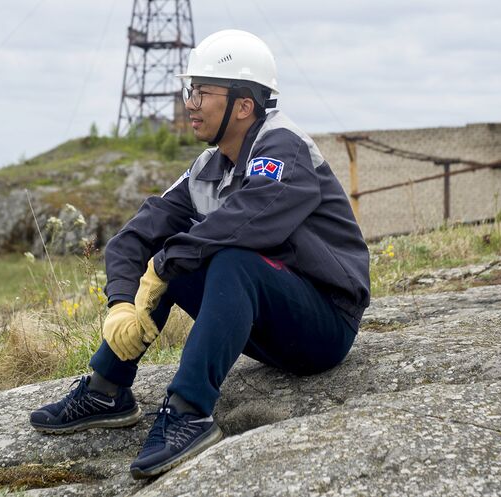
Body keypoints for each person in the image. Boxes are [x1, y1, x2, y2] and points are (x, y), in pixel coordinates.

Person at [30, 29, 370, 479]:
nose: (189, 102)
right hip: (272, 324)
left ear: (243, 105)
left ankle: (189, 411)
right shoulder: (208, 168)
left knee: (226, 257)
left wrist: (168, 263)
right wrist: (121, 303)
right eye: (190, 90)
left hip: (325, 324)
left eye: (202, 92)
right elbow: (135, 236)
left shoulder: (282, 145)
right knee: (173, 253)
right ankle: (106, 389)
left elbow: (254, 216)